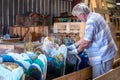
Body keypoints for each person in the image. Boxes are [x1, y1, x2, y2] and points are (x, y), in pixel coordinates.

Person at [67, 2, 118, 78]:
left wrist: (76, 51)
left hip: (102, 57)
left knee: (100, 78)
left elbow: (86, 43)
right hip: (107, 52)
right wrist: (74, 45)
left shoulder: (91, 22)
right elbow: (86, 37)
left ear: (82, 14)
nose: (78, 19)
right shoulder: (95, 16)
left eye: (77, 16)